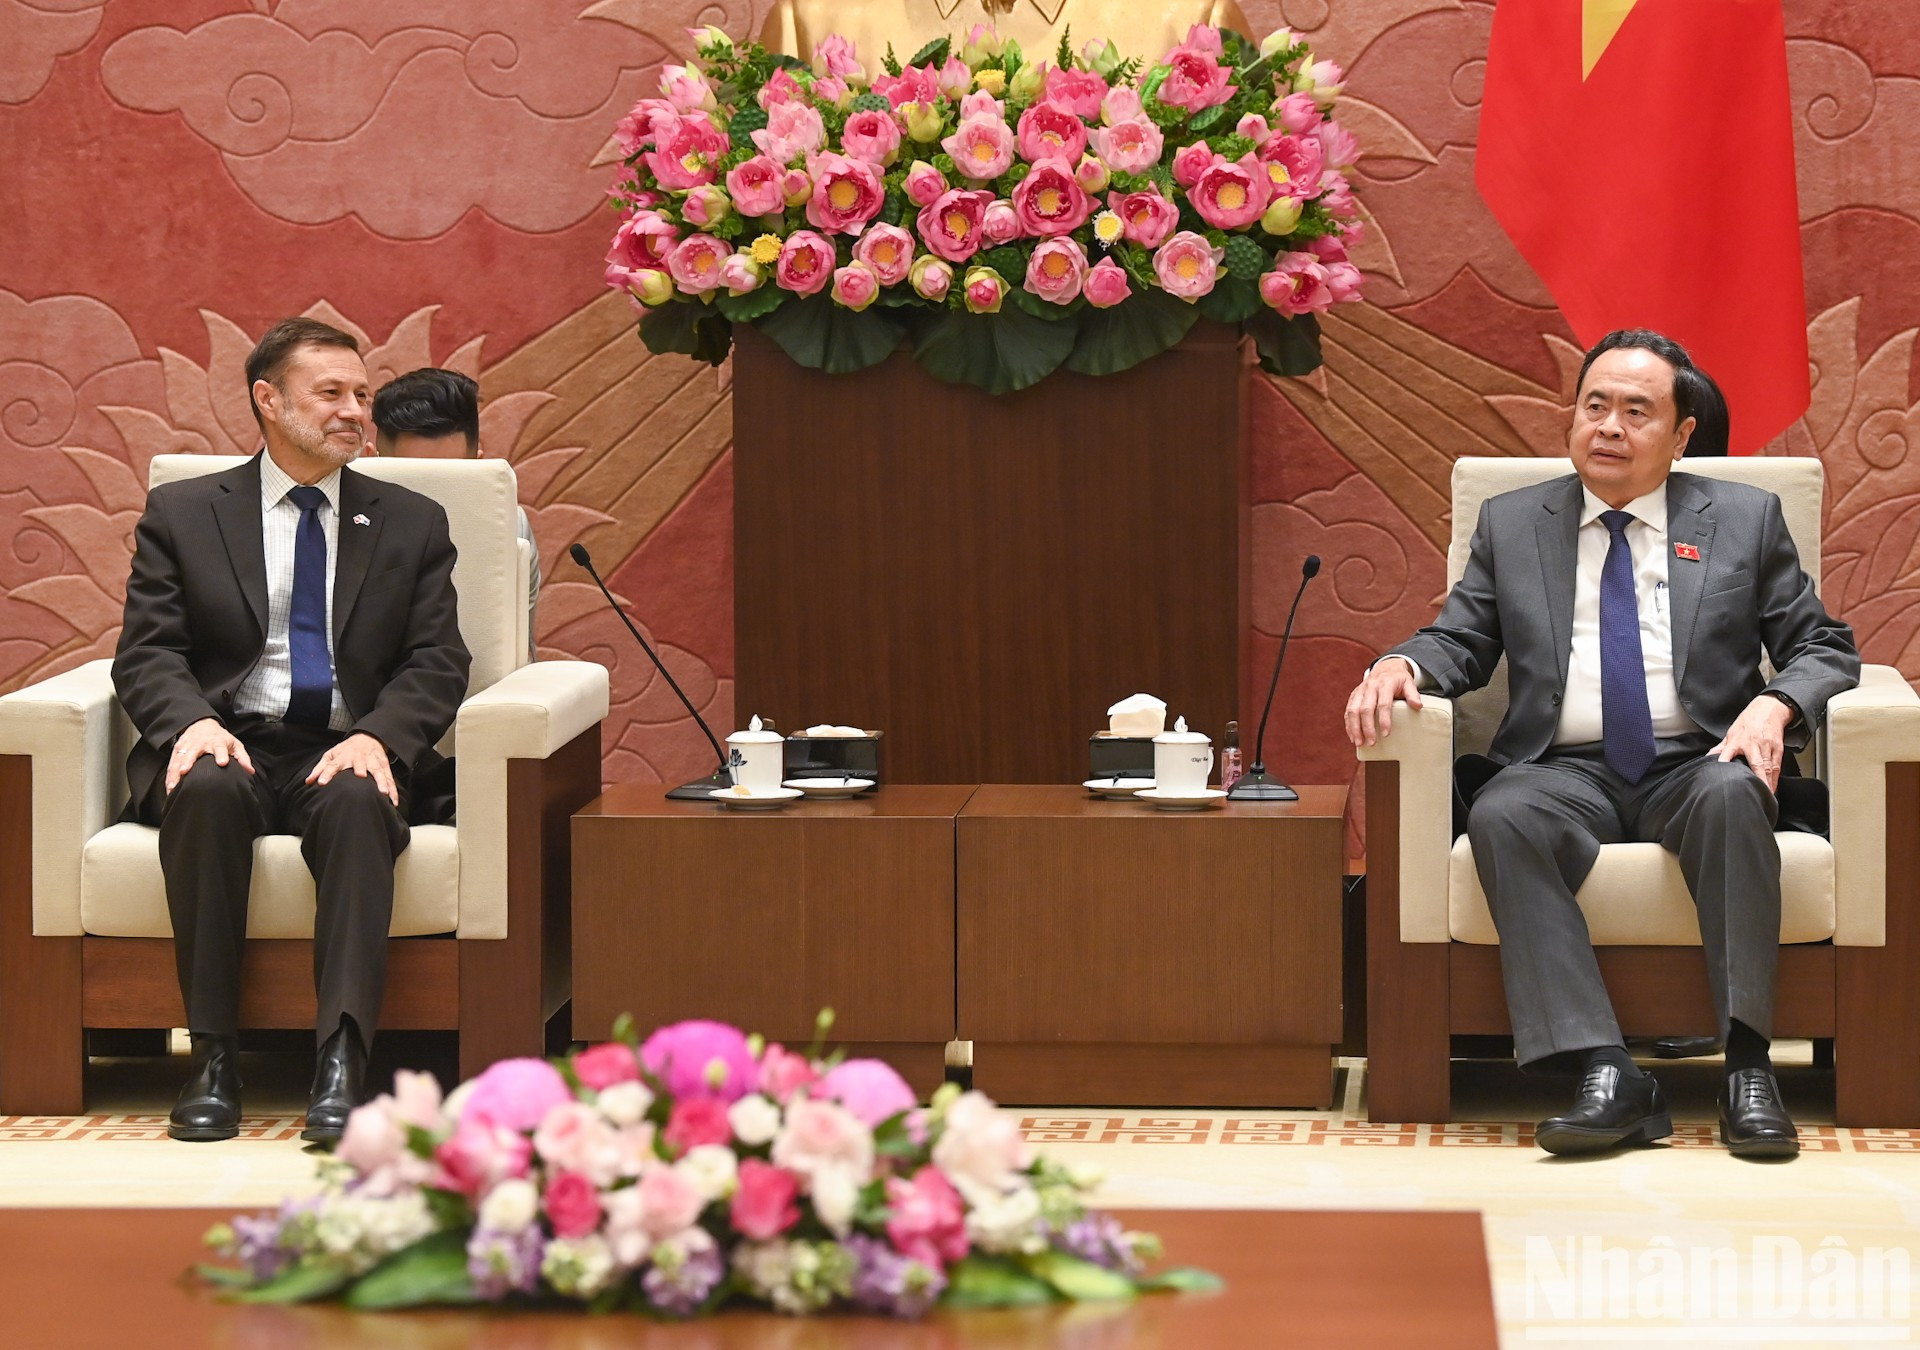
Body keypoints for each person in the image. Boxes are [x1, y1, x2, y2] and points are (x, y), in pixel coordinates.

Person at [1343, 329, 1859, 1160]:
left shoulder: (1742, 519)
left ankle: (1748, 1069)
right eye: (1594, 406)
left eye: (1635, 410)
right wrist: (1402, 661)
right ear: (1572, 417)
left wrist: (1774, 707)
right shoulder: (1515, 523)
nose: (1609, 427)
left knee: (1734, 795)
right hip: (1563, 769)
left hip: (1699, 760)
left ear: (1682, 435)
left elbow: (1823, 646)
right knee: (1502, 812)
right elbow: (1462, 639)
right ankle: (1608, 1071)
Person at [113, 318, 471, 1143]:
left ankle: (339, 1063)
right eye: (332, 394)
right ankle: (212, 1058)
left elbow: (438, 660)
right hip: (231, 736)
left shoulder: (412, 521)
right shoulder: (186, 512)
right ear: (267, 401)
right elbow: (149, 650)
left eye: (362, 394)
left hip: (345, 742)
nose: (356, 411)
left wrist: (381, 736)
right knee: (201, 788)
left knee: (356, 801)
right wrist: (190, 724)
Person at [370, 367, 540, 661]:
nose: (431, 502)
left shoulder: (509, 527)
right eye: (416, 480)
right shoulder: (337, 523)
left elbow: (513, 656)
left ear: (479, 465)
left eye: (451, 479)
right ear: (373, 464)